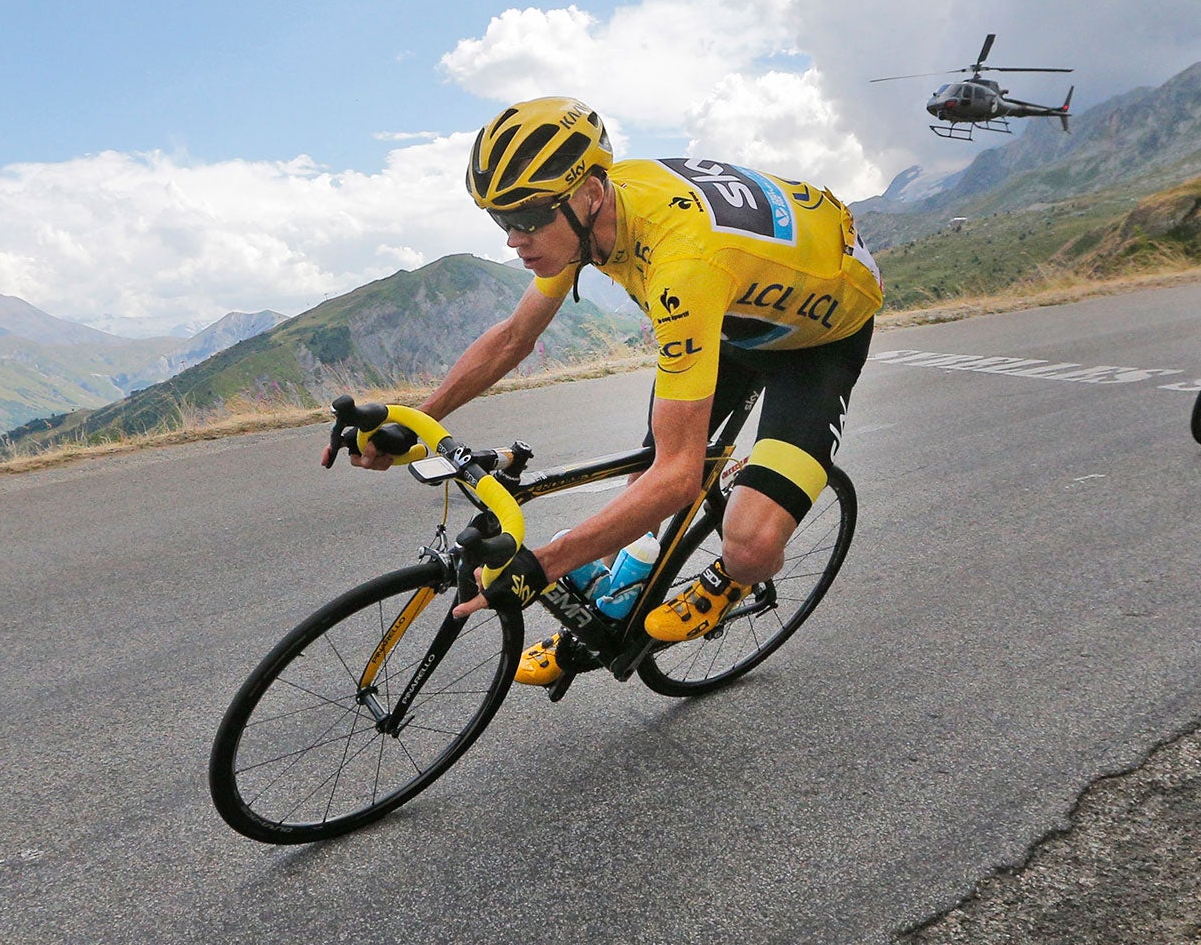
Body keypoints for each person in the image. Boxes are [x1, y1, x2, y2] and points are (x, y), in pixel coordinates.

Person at [349, 97, 884, 686]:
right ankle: (612, 600)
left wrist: (543, 565)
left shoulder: (681, 263)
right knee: (648, 475)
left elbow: (679, 478)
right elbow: (512, 339)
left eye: (526, 217)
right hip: (732, 309)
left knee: (748, 541)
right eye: (501, 220)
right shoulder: (582, 216)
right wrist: (415, 423)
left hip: (818, 337)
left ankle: (730, 580)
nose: (513, 239)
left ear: (591, 195)